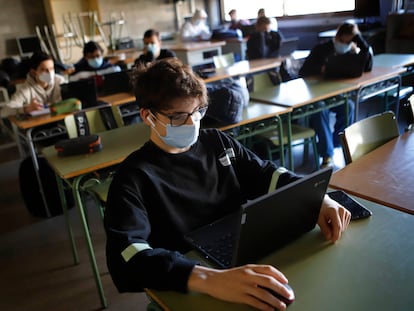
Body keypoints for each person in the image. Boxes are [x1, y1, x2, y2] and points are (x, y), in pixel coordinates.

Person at [104, 58, 351, 311]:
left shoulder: (217, 143)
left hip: (240, 254)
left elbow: (267, 174)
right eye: (178, 117)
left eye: (197, 111)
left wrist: (318, 197)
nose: (192, 124)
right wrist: (207, 278)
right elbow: (127, 257)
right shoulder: (133, 178)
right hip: (190, 280)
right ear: (148, 116)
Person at [299, 22, 373, 168]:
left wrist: (359, 40)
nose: (347, 43)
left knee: (349, 106)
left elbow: (368, 66)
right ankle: (327, 155)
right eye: (346, 39)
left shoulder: (351, 51)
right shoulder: (321, 49)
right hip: (317, 94)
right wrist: (321, 69)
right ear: (340, 36)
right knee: (320, 111)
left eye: (352, 40)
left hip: (334, 93)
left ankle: (336, 144)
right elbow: (303, 71)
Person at [1, 51, 65, 117]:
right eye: (44, 70)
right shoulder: (25, 89)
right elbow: (4, 111)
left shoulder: (60, 81)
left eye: (52, 68)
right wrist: (25, 109)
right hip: (39, 124)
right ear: (33, 72)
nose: (50, 73)